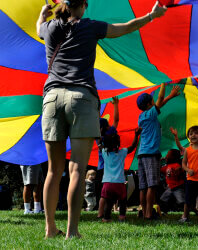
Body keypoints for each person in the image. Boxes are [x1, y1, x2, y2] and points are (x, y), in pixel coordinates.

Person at [37, 0, 167, 238]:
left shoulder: (50, 27)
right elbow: (125, 27)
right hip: (82, 98)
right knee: (76, 169)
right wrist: (151, 15)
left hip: (52, 98)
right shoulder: (90, 26)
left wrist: (42, 14)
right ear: (84, 5)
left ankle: (49, 229)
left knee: (54, 172)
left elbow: (39, 28)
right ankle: (71, 232)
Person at [137, 84, 181, 220]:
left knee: (143, 187)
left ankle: (144, 212)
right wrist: (163, 82)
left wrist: (169, 96)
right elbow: (160, 99)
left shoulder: (142, 116)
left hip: (142, 154)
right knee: (152, 185)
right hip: (150, 154)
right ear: (149, 103)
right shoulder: (149, 114)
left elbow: (160, 103)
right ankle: (149, 214)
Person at [101, 127, 141, 222]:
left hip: (107, 183)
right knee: (122, 201)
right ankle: (122, 217)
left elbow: (100, 143)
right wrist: (136, 135)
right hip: (119, 183)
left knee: (109, 203)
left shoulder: (104, 153)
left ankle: (106, 218)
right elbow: (133, 146)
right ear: (118, 142)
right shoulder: (122, 152)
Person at [97, 97, 119, 218]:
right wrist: (116, 105)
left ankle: (101, 212)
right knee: (107, 192)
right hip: (110, 168)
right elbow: (116, 120)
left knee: (103, 192)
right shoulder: (109, 135)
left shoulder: (97, 137)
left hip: (101, 167)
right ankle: (103, 212)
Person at [159, 149, 185, 214]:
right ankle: (165, 211)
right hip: (170, 188)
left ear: (173, 157)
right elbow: (159, 170)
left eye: (168, 154)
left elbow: (180, 170)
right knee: (163, 199)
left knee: (182, 202)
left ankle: (192, 211)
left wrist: (179, 170)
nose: (166, 155)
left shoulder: (176, 165)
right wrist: (160, 161)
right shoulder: (166, 166)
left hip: (177, 187)